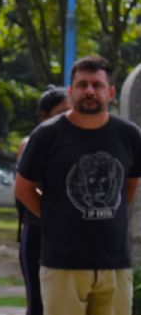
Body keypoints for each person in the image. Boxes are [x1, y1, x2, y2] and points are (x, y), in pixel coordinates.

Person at [15, 55, 141, 315]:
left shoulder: (128, 135)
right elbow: (23, 188)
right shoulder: (47, 135)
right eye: (82, 85)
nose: (90, 91)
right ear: (71, 91)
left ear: (111, 92)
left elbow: (129, 185)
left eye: (97, 84)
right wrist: (56, 216)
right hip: (63, 264)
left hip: (114, 264)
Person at [15, 85, 71, 315]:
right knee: (38, 304)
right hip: (39, 232)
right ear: (44, 116)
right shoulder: (32, 143)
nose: (66, 118)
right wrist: (56, 216)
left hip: (74, 237)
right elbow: (25, 189)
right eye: (60, 113)